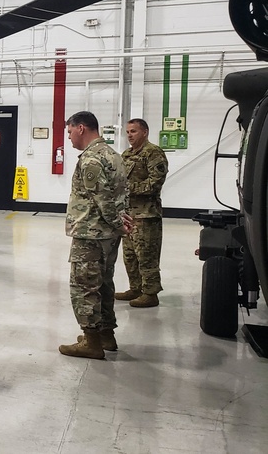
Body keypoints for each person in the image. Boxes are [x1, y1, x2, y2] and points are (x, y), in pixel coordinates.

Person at [59, 111, 130, 360]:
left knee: (84, 286)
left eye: (69, 132)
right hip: (108, 235)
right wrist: (120, 224)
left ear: (80, 128)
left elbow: (103, 200)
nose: (68, 137)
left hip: (91, 233)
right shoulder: (114, 155)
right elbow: (122, 194)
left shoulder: (91, 159)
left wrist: (116, 223)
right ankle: (106, 335)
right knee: (104, 283)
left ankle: (91, 341)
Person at [117, 118, 168, 308]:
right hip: (129, 214)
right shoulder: (126, 155)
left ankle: (151, 293)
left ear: (144, 132)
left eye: (134, 131)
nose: (130, 135)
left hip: (146, 215)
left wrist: (128, 188)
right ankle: (135, 288)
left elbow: (155, 183)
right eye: (128, 132)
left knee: (146, 255)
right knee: (130, 255)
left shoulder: (153, 153)